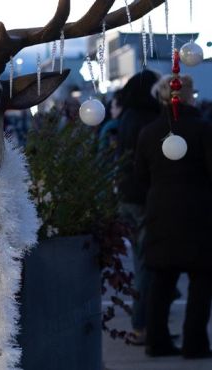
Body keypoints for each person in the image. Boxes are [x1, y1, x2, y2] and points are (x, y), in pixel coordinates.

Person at [135, 75, 212, 358]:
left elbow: (139, 176)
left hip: (160, 210)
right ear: (190, 95)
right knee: (201, 280)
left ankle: (157, 341)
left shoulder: (149, 131)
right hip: (198, 212)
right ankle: (195, 343)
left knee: (162, 281)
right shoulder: (203, 129)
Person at [116, 70, 161, 345]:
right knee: (147, 264)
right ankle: (142, 324)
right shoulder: (150, 120)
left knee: (139, 261)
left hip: (126, 197)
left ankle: (141, 322)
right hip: (144, 198)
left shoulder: (125, 119)